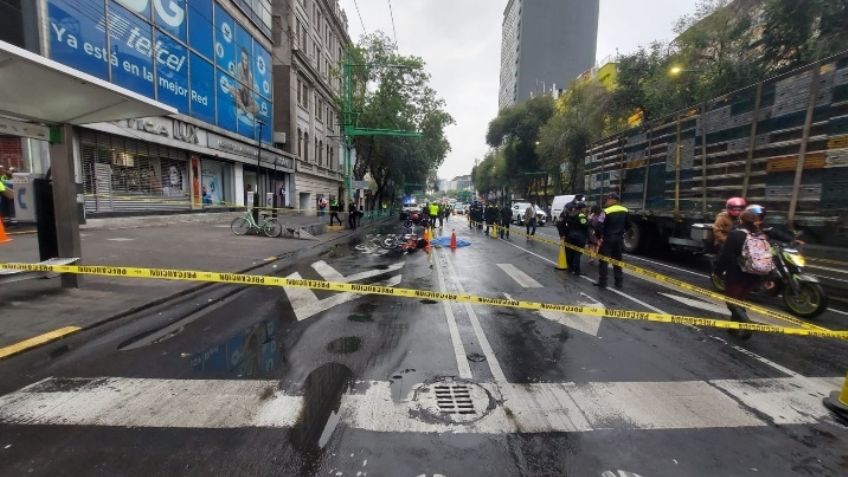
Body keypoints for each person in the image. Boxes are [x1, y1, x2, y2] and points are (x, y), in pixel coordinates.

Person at [714, 205, 772, 340]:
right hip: (754, 275)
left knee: (731, 302)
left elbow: (725, 255)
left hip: (736, 274)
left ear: (741, 220)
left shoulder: (735, 234)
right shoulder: (761, 235)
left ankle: (746, 324)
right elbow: (767, 256)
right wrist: (768, 277)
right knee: (739, 300)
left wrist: (717, 272)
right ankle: (733, 328)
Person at [595, 193, 630, 289]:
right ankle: (618, 282)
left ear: (614, 200)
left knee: (603, 261)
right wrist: (622, 232)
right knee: (617, 261)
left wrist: (599, 237)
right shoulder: (625, 210)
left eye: (608, 199)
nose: (606, 201)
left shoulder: (605, 211)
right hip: (619, 239)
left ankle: (602, 282)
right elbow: (628, 225)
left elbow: (599, 226)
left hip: (607, 239)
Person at [565, 201, 589, 276]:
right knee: (577, 254)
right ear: (581, 208)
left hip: (570, 236)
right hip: (579, 237)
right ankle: (577, 271)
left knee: (571, 253)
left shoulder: (571, 214)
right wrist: (588, 220)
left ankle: (570, 268)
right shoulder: (581, 215)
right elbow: (585, 224)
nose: (585, 209)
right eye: (584, 208)